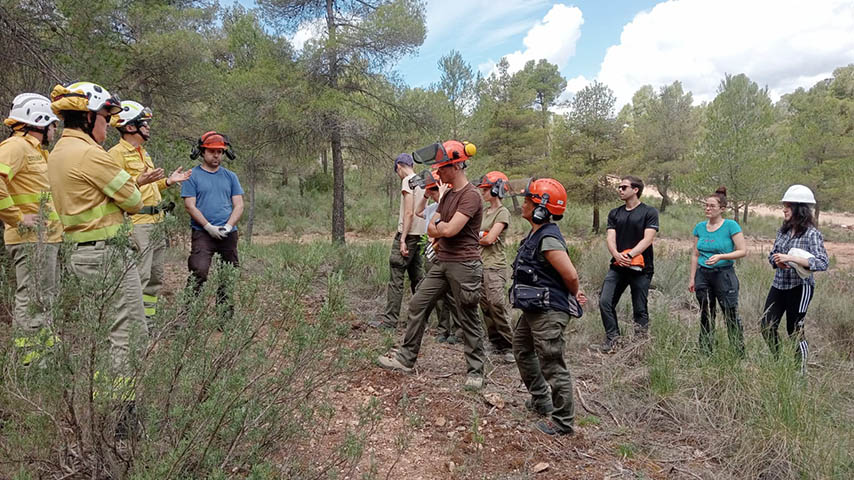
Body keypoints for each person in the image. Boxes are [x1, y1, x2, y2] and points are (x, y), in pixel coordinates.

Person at [48, 82, 150, 379]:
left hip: (82, 254)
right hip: (107, 253)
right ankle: (121, 405)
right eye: (105, 118)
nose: (108, 126)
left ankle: (104, 397)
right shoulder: (90, 154)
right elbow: (134, 200)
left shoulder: (57, 152)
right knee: (129, 332)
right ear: (89, 117)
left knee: (106, 331)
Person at [377, 140, 487, 390]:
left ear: (456, 166)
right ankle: (405, 359)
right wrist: (439, 227)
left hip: (464, 265)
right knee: (418, 303)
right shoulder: (448, 195)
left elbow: (449, 229)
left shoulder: (471, 196)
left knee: (468, 316)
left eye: (442, 167)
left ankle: (476, 371)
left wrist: (440, 227)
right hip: (442, 262)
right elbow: (432, 227)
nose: (438, 172)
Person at [510, 178, 586, 436]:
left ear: (541, 208)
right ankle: (541, 399)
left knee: (552, 364)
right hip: (534, 308)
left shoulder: (548, 238)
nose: (523, 205)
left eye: (527, 201)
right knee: (522, 349)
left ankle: (563, 421)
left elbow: (570, 275)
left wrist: (574, 293)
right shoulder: (535, 234)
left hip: (548, 311)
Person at [108, 101, 191, 330]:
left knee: (155, 277)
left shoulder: (142, 153)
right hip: (137, 224)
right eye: (144, 123)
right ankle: (133, 328)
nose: (148, 127)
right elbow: (115, 189)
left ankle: (148, 324)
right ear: (130, 127)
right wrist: (138, 180)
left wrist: (168, 182)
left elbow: (148, 186)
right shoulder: (116, 154)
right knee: (139, 276)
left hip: (156, 222)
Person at [1, 93, 62, 365]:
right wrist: (17, 217)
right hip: (29, 239)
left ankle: (43, 356)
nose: (54, 130)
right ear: (39, 121)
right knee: (32, 297)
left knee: (44, 297)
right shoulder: (16, 147)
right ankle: (30, 360)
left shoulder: (35, 151)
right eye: (52, 124)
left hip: (45, 239)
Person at [761, 184, 828, 373]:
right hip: (779, 284)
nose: (784, 209)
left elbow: (822, 262)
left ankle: (800, 371)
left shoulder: (812, 234)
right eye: (784, 205)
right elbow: (773, 254)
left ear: (800, 209)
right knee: (766, 325)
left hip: (800, 287)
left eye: (788, 206)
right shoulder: (782, 232)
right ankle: (778, 362)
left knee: (795, 330)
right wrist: (777, 261)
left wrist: (792, 259)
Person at [181, 131, 244, 316]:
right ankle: (187, 314)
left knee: (228, 274)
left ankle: (225, 316)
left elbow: (239, 205)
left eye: (219, 151)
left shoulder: (231, 176)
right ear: (202, 152)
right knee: (199, 270)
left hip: (228, 233)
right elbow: (190, 206)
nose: (216, 155)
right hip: (202, 232)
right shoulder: (192, 176)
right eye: (211, 151)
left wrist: (229, 226)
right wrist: (208, 226)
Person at [597, 176, 659, 352]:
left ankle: (639, 346)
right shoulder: (615, 213)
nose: (620, 190)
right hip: (618, 266)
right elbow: (610, 237)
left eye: (624, 187)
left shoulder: (649, 212)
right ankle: (613, 340)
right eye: (619, 187)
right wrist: (617, 255)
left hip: (642, 269)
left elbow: (648, 238)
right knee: (605, 301)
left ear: (635, 190)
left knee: (639, 308)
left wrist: (630, 255)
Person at [688, 187, 747, 354]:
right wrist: (692, 278)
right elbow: (695, 254)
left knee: (730, 313)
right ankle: (705, 351)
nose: (708, 208)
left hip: (724, 274)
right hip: (703, 274)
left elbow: (742, 251)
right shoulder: (700, 227)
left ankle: (737, 351)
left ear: (722, 209)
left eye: (712, 206)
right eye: (706, 205)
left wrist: (722, 257)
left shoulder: (730, 226)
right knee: (706, 312)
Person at [371, 153, 426, 329]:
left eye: (397, 171)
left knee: (396, 278)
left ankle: (390, 321)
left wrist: (402, 239)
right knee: (418, 279)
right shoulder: (422, 181)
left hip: (408, 235)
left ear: (399, 167)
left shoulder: (407, 181)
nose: (398, 174)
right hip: (420, 236)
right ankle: (421, 320)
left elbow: (409, 212)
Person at [415, 171, 459, 343]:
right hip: (432, 252)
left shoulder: (452, 206)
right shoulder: (432, 208)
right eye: (431, 190)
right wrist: (425, 194)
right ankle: (443, 329)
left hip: (447, 253)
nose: (433, 193)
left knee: (452, 294)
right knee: (439, 296)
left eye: (434, 190)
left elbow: (447, 221)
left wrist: (442, 195)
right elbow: (418, 211)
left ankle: (458, 330)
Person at [476, 171, 514, 363]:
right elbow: (479, 234)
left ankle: (510, 345)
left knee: (496, 304)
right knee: (485, 305)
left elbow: (490, 239)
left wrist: (482, 235)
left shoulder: (502, 212)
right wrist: (482, 235)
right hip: (480, 263)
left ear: (496, 189)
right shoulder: (484, 212)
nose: (482, 192)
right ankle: (496, 342)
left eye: (486, 189)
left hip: (494, 265)